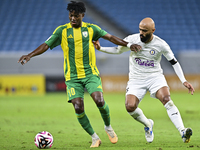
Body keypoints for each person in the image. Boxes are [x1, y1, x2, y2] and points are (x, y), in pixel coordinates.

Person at [18, 1, 140, 148]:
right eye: (71, 15)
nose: (73, 18)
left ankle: (108, 127)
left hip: (90, 74)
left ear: (82, 15)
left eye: (76, 16)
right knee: (78, 107)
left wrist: (127, 44)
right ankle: (95, 138)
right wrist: (30, 55)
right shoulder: (61, 31)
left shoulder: (91, 29)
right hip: (72, 77)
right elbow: (46, 45)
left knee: (99, 100)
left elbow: (111, 37)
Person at [93, 17, 195, 143]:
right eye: (140, 30)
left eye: (145, 31)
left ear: (153, 30)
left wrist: (183, 80)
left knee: (167, 100)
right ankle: (148, 125)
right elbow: (117, 50)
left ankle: (183, 131)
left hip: (155, 77)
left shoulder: (161, 44)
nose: (142, 33)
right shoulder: (132, 40)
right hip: (136, 79)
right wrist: (100, 48)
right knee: (130, 107)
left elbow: (174, 62)